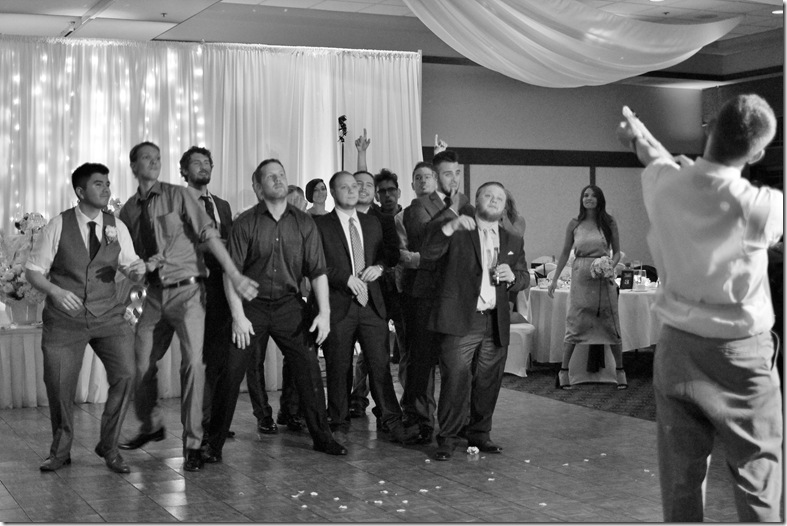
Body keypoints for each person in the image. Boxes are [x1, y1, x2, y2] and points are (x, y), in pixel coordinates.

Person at [618, 95, 782, 522]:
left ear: (709, 131)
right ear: (757, 154)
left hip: (677, 349)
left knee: (680, 480)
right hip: (740, 355)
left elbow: (653, 157)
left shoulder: (664, 185)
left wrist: (637, 136)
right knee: (757, 478)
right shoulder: (762, 206)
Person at [118, 141, 258, 472]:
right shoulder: (127, 210)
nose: (153, 162)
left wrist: (234, 274)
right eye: (146, 158)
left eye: (157, 157)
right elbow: (129, 256)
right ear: (134, 166)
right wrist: (133, 270)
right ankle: (151, 423)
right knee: (138, 365)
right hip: (151, 294)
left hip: (188, 292)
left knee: (194, 365)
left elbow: (210, 235)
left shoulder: (179, 196)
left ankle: (193, 444)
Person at [203, 158, 346, 460]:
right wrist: (238, 317)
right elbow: (231, 273)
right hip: (250, 307)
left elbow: (317, 271)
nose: (279, 180)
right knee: (231, 372)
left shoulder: (304, 222)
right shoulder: (246, 223)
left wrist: (324, 313)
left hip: (289, 306)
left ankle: (322, 438)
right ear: (258, 187)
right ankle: (212, 445)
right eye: (271, 177)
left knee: (309, 370)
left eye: (281, 174)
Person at [25, 162, 146, 473]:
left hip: (109, 316)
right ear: (80, 191)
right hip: (65, 319)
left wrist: (137, 270)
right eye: (98, 184)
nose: (106, 189)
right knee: (59, 384)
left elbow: (130, 265)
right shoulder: (57, 225)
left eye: (107, 183)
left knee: (127, 374)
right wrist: (55, 291)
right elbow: (33, 271)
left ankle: (109, 446)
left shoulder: (117, 226)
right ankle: (60, 451)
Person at [421, 181, 529, 460]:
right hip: (461, 319)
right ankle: (447, 438)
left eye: (499, 198)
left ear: (504, 207)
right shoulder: (458, 230)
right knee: (455, 380)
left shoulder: (513, 239)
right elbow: (429, 253)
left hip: (495, 321)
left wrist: (513, 278)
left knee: (488, 382)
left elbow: (524, 276)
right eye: (488, 195)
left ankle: (480, 434)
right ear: (476, 201)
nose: (494, 200)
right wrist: (450, 226)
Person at [314, 171, 418, 444]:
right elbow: (314, 263)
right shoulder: (320, 225)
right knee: (339, 367)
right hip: (339, 303)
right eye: (345, 187)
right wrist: (344, 278)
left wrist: (379, 267)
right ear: (333, 192)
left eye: (355, 186)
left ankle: (391, 421)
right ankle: (338, 423)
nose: (352, 190)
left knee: (380, 365)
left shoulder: (373, 222)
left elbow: (387, 255)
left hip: (372, 304)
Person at [401, 149, 474, 444]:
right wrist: (452, 214)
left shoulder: (467, 204)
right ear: (435, 176)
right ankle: (421, 421)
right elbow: (425, 242)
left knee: (457, 364)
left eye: (457, 173)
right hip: (427, 296)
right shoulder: (418, 206)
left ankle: (457, 422)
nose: (454, 179)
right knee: (422, 362)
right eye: (446, 173)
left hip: (458, 295)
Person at [178, 146, 236, 443]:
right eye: (196, 163)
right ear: (183, 171)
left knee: (218, 359)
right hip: (191, 289)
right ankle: (195, 425)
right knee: (195, 360)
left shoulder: (222, 205)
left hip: (221, 290)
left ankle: (213, 421)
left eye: (207, 162)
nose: (203, 167)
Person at [548, 185, 624, 390]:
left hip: (603, 278)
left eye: (593, 196)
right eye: (585, 195)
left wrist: (609, 266)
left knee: (610, 322)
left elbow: (617, 252)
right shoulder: (574, 223)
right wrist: (555, 279)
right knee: (576, 321)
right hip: (581, 276)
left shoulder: (609, 222)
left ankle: (620, 371)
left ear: (600, 199)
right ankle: (563, 372)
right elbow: (565, 252)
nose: (589, 198)